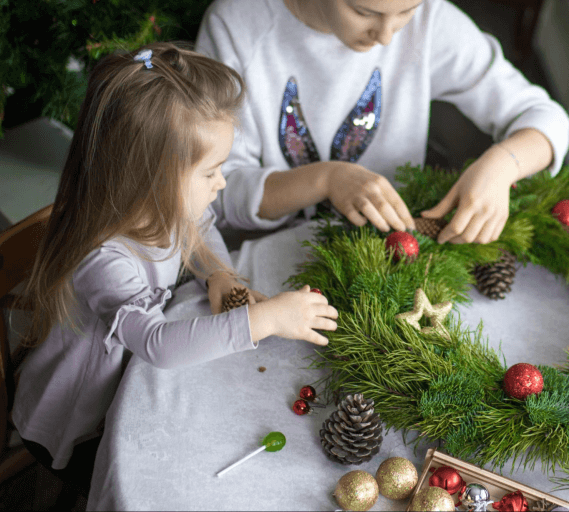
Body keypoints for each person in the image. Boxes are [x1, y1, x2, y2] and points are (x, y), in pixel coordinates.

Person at [11, 42, 338, 495]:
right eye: (210, 173)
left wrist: (217, 273)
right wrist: (266, 319)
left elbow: (200, 226)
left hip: (124, 387)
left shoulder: (159, 209)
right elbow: (157, 344)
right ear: (149, 179)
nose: (221, 183)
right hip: (75, 420)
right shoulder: (104, 257)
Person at [195, 0, 569, 245]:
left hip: (395, 254)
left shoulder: (430, 23)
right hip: (272, 258)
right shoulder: (239, 26)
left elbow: (545, 116)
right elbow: (218, 193)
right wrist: (327, 180)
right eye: (363, 12)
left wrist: (503, 165)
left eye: (407, 10)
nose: (388, 36)